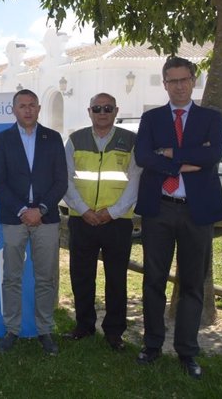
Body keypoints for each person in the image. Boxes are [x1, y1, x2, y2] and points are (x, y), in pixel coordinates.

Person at [134, 56, 222, 379]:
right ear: (165, 84)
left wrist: (170, 153)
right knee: (153, 281)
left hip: (196, 211)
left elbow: (213, 153)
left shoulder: (211, 118)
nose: (178, 86)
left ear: (193, 80)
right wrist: (188, 159)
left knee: (192, 284)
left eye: (184, 79)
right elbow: (144, 156)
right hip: (159, 209)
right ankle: (152, 345)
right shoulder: (151, 119)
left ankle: (187, 352)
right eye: (172, 81)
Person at [0, 89, 67, 356]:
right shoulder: (2, 140)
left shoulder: (53, 138)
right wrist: (24, 209)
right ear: (14, 109)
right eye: (22, 105)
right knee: (12, 277)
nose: (28, 110)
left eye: (32, 105)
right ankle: (12, 330)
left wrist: (42, 209)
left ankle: (44, 330)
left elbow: (61, 181)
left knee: (45, 278)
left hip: (46, 219)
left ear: (38, 108)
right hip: (14, 218)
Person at [62, 93, 141, 350]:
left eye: (107, 108)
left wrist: (113, 212)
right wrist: (84, 210)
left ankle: (114, 331)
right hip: (81, 220)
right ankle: (84, 326)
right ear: (89, 111)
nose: (102, 112)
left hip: (117, 222)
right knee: (81, 276)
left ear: (116, 110)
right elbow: (65, 179)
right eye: (97, 108)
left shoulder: (130, 141)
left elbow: (136, 181)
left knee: (116, 278)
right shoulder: (75, 140)